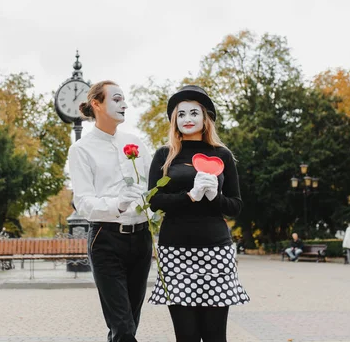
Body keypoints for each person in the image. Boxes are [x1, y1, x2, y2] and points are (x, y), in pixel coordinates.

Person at [147, 85, 249, 342]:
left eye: (194, 113)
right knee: (187, 335)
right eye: (181, 114)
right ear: (174, 120)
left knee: (215, 335)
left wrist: (215, 198)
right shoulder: (165, 155)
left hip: (215, 250)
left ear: (205, 118)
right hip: (175, 252)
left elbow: (235, 206)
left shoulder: (221, 154)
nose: (187, 119)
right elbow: (154, 200)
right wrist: (189, 196)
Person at [68, 80, 153, 342]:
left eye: (124, 99)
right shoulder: (81, 149)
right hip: (106, 238)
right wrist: (117, 203)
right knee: (123, 327)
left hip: (141, 238)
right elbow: (82, 202)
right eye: (116, 99)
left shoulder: (136, 142)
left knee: (129, 323)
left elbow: (153, 187)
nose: (124, 104)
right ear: (97, 104)